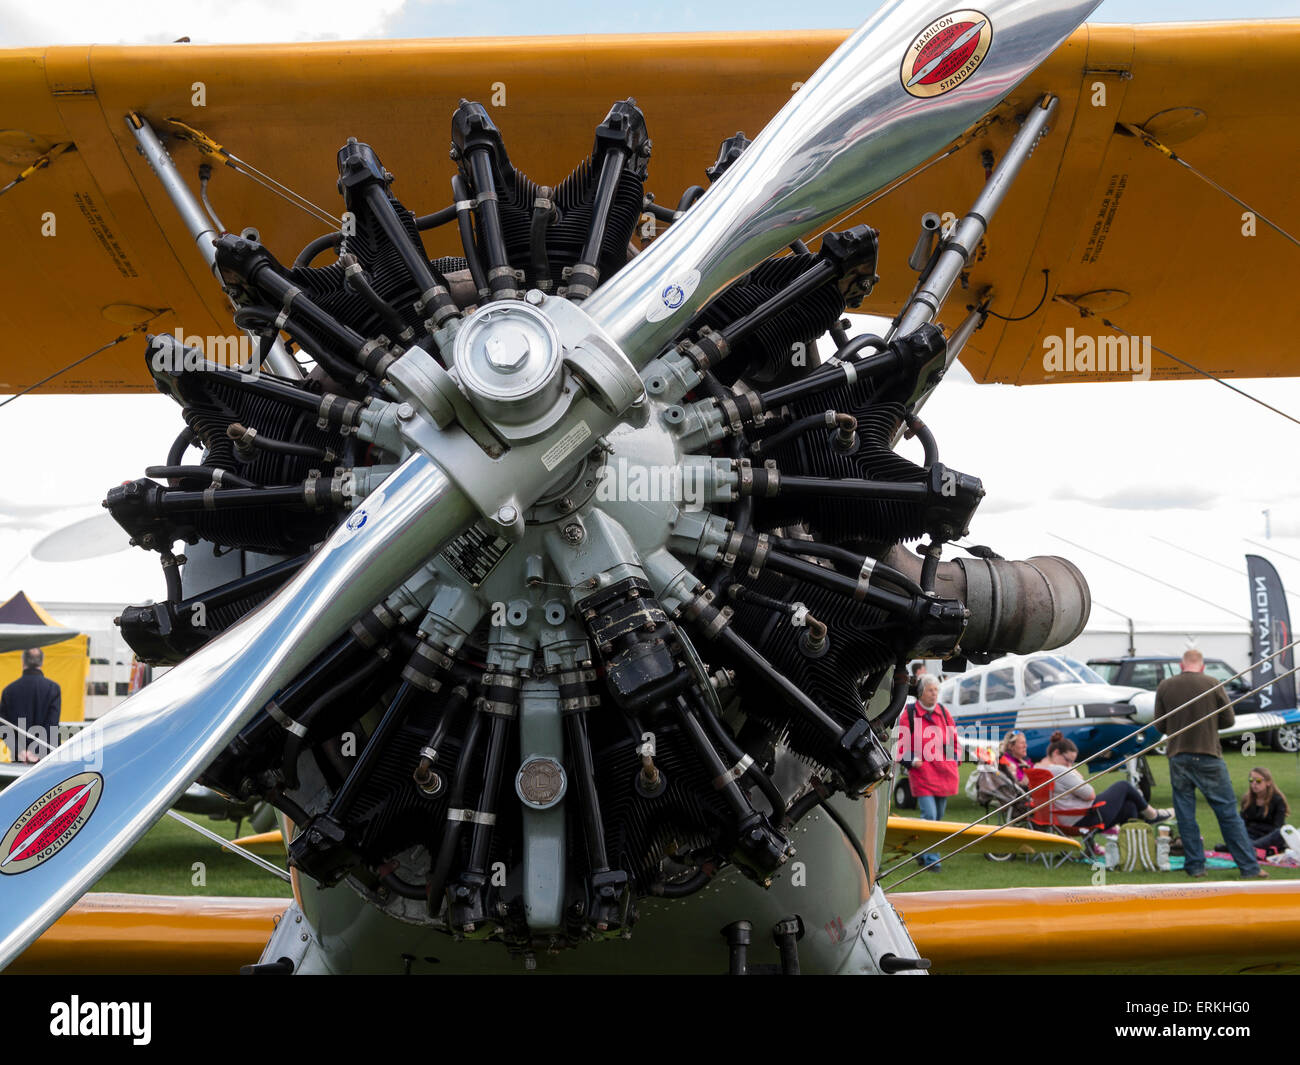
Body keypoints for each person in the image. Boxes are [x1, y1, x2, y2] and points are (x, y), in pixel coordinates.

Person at [1156, 649, 1265, 878]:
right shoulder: (1213, 682)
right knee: (1227, 813)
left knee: (1186, 815)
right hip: (1208, 755)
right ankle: (1249, 867)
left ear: (1180, 665)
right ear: (1202, 666)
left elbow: (1160, 725)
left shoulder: (1165, 686)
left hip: (1178, 756)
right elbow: (1229, 720)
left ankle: (1195, 867)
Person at [1036, 732, 1172, 831]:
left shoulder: (1040, 770)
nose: (1069, 765)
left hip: (1062, 818)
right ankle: (1152, 815)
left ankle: (1132, 846)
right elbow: (1089, 794)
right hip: (1080, 819)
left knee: (1129, 806)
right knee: (1123, 786)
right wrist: (1075, 775)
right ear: (1056, 753)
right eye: (1067, 760)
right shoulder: (1060, 771)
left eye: (1072, 762)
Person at [898, 675, 959, 871]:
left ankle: (919, 850)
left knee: (938, 818)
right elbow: (901, 741)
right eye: (931, 690)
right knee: (930, 815)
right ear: (921, 692)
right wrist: (912, 760)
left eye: (936, 690)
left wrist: (954, 758)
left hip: (943, 772)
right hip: (922, 772)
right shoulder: (909, 713)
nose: (935, 694)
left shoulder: (943, 711)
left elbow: (952, 738)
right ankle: (933, 860)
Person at [0, 647, 62, 763]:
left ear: (23, 662)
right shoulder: (53, 689)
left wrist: (19, 750)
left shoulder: (8, 691)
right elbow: (52, 724)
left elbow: (3, 726)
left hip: (20, 758)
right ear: (42, 662)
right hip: (46, 756)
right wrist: (35, 750)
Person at [1217, 767, 1290, 855]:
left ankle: (1244, 848)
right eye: (1251, 780)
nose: (1254, 784)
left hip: (1269, 835)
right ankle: (1250, 848)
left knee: (1280, 833)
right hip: (1251, 834)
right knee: (1234, 829)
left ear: (1268, 782)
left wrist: (1257, 828)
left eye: (1258, 781)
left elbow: (1278, 826)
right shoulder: (1247, 799)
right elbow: (1242, 822)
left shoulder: (1277, 800)